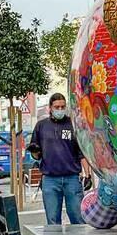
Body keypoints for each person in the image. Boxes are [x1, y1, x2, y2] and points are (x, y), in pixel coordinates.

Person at [27, 93, 89, 225]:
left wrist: (87, 174)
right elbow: (36, 155)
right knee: (53, 220)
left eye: (62, 106)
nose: (60, 109)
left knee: (78, 218)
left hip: (72, 178)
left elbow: (81, 152)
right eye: (57, 107)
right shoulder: (41, 126)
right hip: (50, 180)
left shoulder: (72, 124)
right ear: (50, 108)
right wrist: (35, 151)